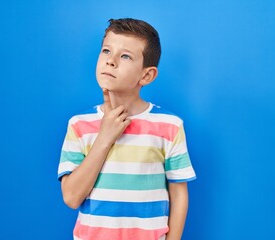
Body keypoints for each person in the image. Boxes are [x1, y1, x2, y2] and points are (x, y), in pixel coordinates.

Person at [58, 18, 196, 240]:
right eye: (106, 51)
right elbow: (72, 197)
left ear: (146, 75)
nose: (110, 61)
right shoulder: (79, 125)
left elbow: (179, 194)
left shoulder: (169, 126)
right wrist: (105, 137)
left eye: (125, 56)